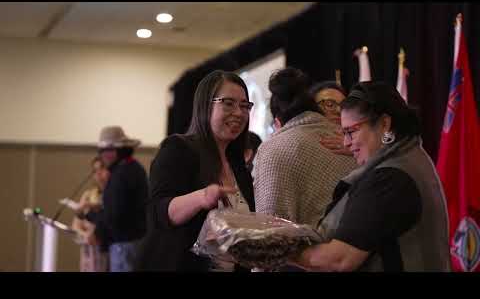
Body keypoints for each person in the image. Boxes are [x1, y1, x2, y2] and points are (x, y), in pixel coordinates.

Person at [293, 81, 451, 272]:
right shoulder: (411, 157)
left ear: (385, 123)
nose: (346, 143)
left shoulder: (389, 178)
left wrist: (280, 252)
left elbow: (340, 259)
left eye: (351, 132)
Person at [135, 70, 255, 272]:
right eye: (228, 103)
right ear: (205, 106)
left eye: (245, 106)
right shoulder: (178, 149)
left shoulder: (237, 164)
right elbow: (158, 212)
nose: (239, 112)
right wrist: (201, 197)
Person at [253, 67, 356, 227]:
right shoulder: (360, 146)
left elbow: (271, 231)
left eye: (343, 107)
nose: (337, 111)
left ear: (277, 124)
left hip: (319, 248)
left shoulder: (273, 148)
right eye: (329, 104)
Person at [77, 126, 148, 272]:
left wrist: (87, 215)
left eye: (104, 151)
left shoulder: (121, 174)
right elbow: (120, 207)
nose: (102, 156)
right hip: (134, 244)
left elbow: (114, 216)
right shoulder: (133, 168)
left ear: (115, 151)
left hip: (124, 246)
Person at [71, 156, 110, 272]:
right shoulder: (88, 195)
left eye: (102, 168)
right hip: (90, 252)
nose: (98, 173)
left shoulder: (114, 195)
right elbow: (75, 225)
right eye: (95, 170)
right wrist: (85, 234)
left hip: (109, 251)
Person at [309, 81, 351, 156]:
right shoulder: (306, 138)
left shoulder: (358, 140)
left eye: (343, 106)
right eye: (330, 105)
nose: (339, 110)